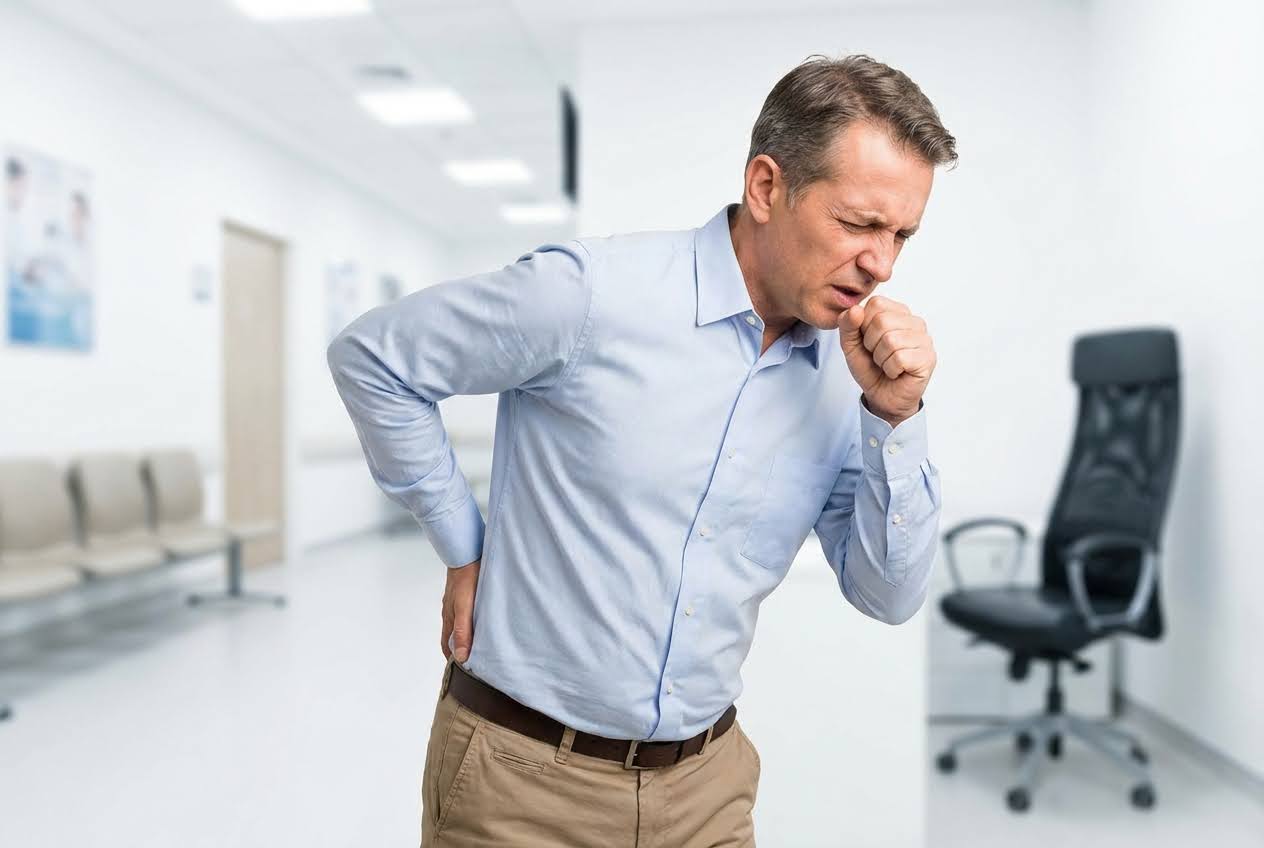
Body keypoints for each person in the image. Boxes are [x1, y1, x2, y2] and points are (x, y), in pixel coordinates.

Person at [329, 53, 956, 847]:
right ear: (767, 187)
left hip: (707, 790)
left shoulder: (850, 374)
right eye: (861, 224)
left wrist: (896, 416)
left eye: (902, 235)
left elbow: (887, 594)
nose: (883, 263)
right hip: (519, 788)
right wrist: (463, 543)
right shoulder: (590, 295)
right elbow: (376, 358)